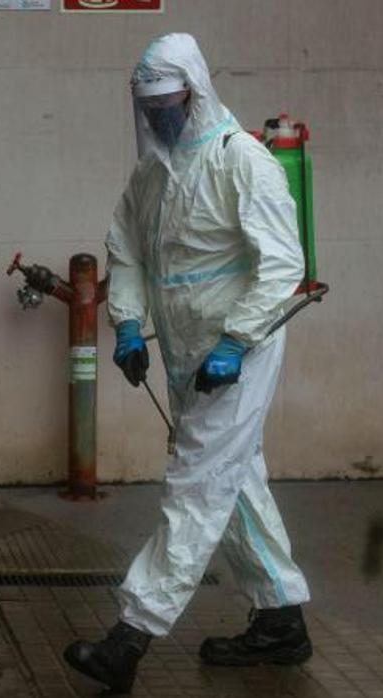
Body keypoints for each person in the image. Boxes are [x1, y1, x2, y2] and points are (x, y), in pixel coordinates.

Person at [63, 34, 312, 693]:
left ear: (194, 93)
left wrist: (237, 340)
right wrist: (126, 324)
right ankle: (281, 618)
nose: (158, 118)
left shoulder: (242, 161)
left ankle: (131, 637)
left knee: (197, 484)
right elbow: (128, 252)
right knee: (234, 481)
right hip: (184, 351)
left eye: (167, 104)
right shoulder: (151, 174)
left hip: (240, 349)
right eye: (149, 107)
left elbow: (283, 266)